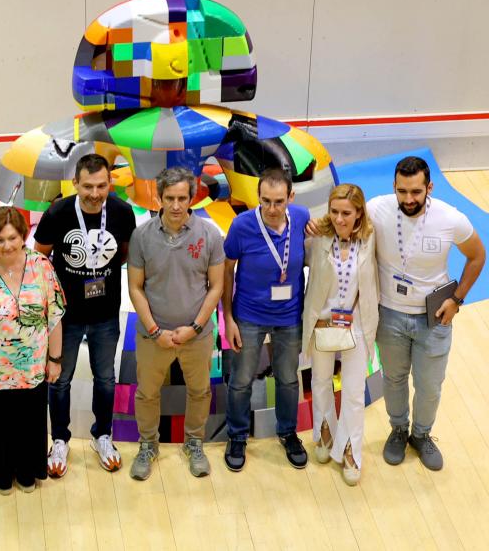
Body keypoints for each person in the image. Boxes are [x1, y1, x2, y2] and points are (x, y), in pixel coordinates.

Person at [308, 156, 485, 471]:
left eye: (416, 191)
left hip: (433, 318)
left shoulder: (451, 219)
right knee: (394, 379)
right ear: (394, 187)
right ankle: (398, 429)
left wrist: (457, 299)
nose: (409, 199)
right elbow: (342, 216)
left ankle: (422, 435)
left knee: (430, 385)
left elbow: (477, 256)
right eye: (402, 191)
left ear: (429, 187)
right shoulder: (378, 208)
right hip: (389, 314)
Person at [33, 154, 136, 477]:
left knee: (106, 378)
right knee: (59, 380)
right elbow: (40, 256)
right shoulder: (58, 213)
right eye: (88, 186)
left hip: (106, 314)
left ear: (110, 184)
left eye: (102, 185)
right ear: (75, 183)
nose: (95, 193)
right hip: (66, 317)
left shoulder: (122, 212)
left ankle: (102, 436)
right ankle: (60, 439)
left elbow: (126, 253)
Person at [126, 167, 225, 480]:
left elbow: (217, 287)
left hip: (196, 335)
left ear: (192, 196)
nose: (177, 205)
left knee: (199, 391)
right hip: (153, 335)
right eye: (170, 198)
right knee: (147, 393)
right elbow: (135, 287)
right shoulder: (141, 236)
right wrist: (155, 331)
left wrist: (194, 328)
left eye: (183, 198)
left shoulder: (209, 234)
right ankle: (147, 444)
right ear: (158, 197)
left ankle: (194, 442)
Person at [0, 207, 65, 494]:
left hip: (32, 369)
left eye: (12, 238)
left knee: (31, 425)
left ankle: (29, 473)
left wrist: (54, 360)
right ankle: (3, 476)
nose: (7, 245)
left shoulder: (42, 265)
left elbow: (54, 316)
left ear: (24, 236)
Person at [222, 168, 310, 472]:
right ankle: (237, 435)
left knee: (287, 378)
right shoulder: (242, 225)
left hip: (289, 317)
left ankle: (287, 432)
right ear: (257, 198)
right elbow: (227, 270)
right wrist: (228, 318)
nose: (272, 209)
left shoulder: (302, 218)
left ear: (291, 198)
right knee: (241, 380)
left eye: (279, 202)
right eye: (265, 201)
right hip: (249, 315)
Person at [302, 184, 378, 485]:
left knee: (354, 390)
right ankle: (323, 433)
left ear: (359, 213)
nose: (339, 218)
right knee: (320, 381)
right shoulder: (318, 236)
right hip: (322, 322)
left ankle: (350, 449)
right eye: (334, 211)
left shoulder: (371, 238)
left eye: (346, 213)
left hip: (356, 324)